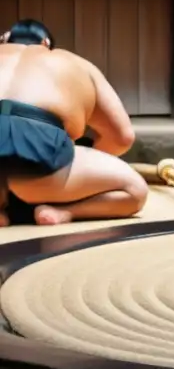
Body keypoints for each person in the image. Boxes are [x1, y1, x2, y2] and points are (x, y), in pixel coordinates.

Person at [0, 19, 148, 225]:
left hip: (38, 149)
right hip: (42, 158)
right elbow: (122, 137)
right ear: (46, 44)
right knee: (134, 191)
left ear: (5, 39)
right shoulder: (73, 62)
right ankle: (65, 210)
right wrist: (83, 169)